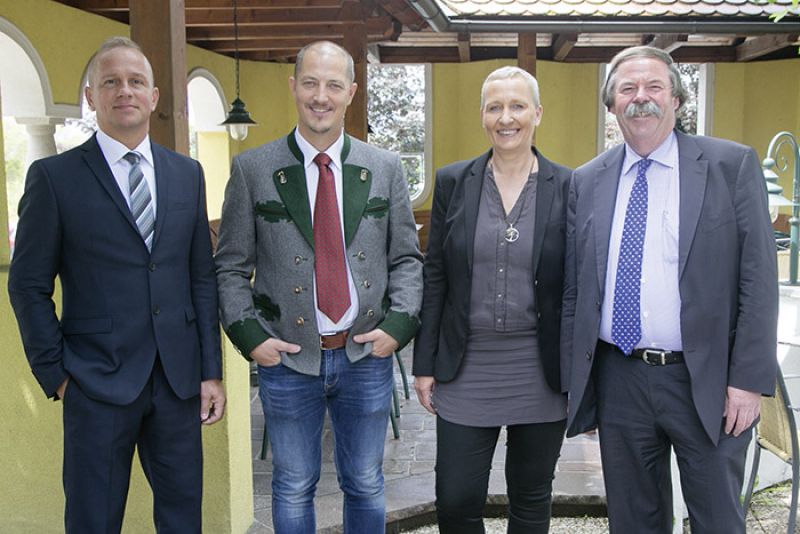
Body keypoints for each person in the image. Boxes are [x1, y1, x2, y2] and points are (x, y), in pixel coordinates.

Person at [7, 36, 225, 533]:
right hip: (94, 381)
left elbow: (200, 277)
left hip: (177, 382)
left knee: (181, 520)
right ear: (91, 96)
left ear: (154, 97)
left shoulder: (187, 174)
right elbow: (27, 285)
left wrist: (210, 370)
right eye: (111, 82)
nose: (124, 91)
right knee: (92, 521)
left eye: (135, 81)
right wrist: (57, 374)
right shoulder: (54, 178)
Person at [561, 45, 778, 533]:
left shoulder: (730, 166)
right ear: (612, 104)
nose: (642, 98)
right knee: (634, 520)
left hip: (708, 380)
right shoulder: (586, 181)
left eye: (655, 87)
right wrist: (582, 384)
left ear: (678, 99)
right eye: (628, 89)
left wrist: (747, 380)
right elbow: (578, 290)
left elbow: (758, 280)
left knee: (717, 518)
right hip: (621, 379)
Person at [215, 40, 423, 533]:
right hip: (287, 357)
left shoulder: (386, 167)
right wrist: (252, 339)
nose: (320, 96)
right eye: (310, 82)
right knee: (291, 484)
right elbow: (228, 267)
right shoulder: (253, 169)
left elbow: (408, 260)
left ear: (351, 91)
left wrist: (397, 327)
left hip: (364, 354)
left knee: (367, 483)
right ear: (293, 87)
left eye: (333, 85)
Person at [413, 66, 571, 534]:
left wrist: (582, 373)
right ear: (483, 115)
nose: (507, 117)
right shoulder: (453, 182)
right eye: (495, 106)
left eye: (518, 105)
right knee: (456, 500)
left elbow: (578, 286)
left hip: (540, 371)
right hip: (467, 366)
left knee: (530, 497)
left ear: (537, 114)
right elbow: (435, 274)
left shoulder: (567, 186)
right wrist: (425, 364)